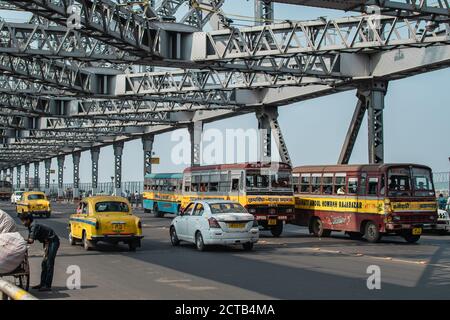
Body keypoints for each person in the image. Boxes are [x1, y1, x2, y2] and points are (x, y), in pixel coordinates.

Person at [20, 213, 60, 292]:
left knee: (49, 264)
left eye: (23, 221)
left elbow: (31, 241)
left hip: (53, 242)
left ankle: (47, 285)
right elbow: (30, 238)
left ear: (28, 220)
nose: (22, 223)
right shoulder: (30, 226)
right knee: (44, 264)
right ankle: (42, 284)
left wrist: (18, 240)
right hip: (47, 242)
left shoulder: (34, 226)